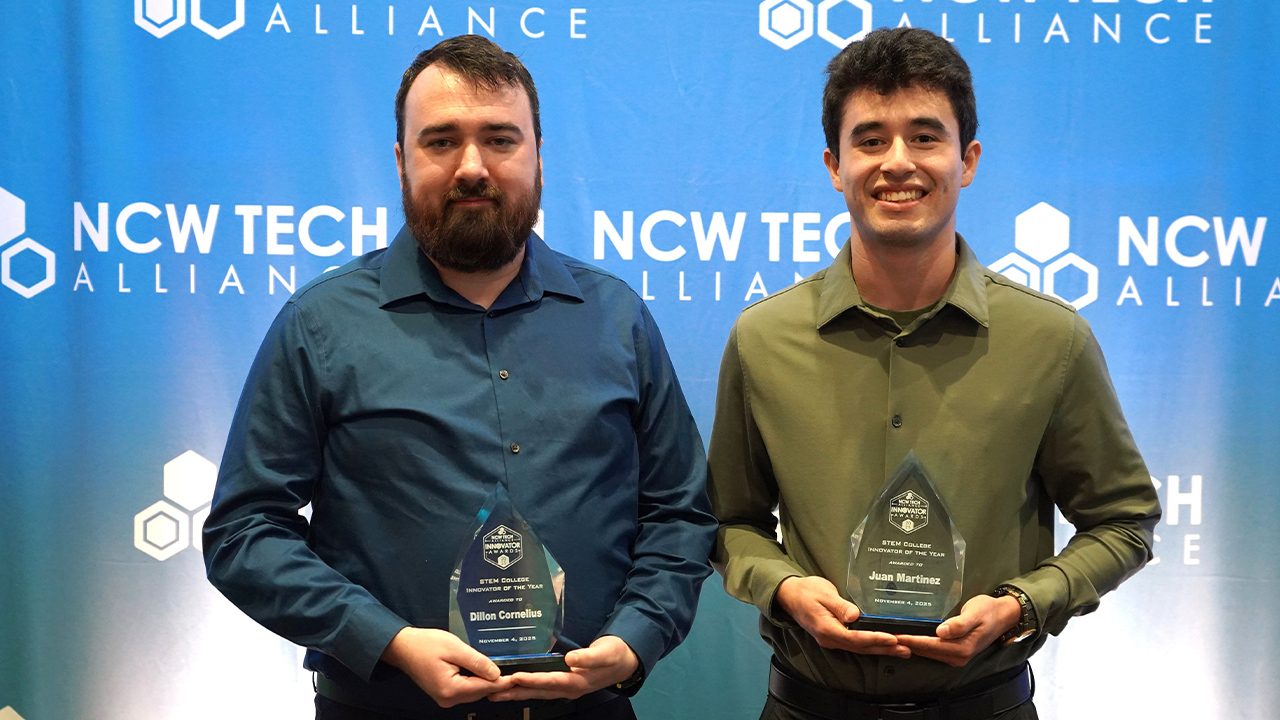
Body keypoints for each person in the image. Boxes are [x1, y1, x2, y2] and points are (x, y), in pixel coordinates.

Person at [203, 35, 716, 720]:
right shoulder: (319, 325)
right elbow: (244, 531)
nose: (471, 166)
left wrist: (636, 638)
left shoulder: (616, 317)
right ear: (401, 160)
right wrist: (387, 640)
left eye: (500, 140)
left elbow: (680, 512)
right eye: (441, 141)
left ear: (538, 156)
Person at [707, 27, 1161, 720]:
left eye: (925, 136)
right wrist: (784, 588)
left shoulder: (1051, 339)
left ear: (967, 159)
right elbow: (730, 521)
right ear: (834, 163)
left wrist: (1021, 606)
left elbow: (1123, 521)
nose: (897, 163)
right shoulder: (763, 338)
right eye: (869, 139)